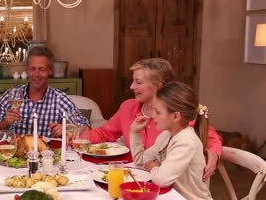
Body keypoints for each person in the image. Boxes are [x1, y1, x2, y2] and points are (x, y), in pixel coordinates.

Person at [83, 58, 221, 181]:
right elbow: (105, 133)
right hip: (138, 177)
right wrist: (78, 137)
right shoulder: (128, 107)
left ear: (158, 86)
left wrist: (213, 152)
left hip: (167, 186)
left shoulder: (177, 117)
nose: (131, 87)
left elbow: (207, 135)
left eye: (138, 82)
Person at [130, 81, 218, 200]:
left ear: (176, 116)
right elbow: (141, 160)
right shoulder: (167, 135)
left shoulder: (186, 141)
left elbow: (162, 179)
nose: (152, 116)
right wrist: (134, 133)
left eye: (158, 112)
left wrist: (154, 167)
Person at [0, 46, 89, 138]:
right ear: (27, 70)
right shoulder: (11, 95)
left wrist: (67, 129)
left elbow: (87, 129)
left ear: (51, 71)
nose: (36, 74)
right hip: (14, 156)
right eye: (32, 69)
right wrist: (5, 122)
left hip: (46, 157)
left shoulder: (59, 99)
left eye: (42, 69)